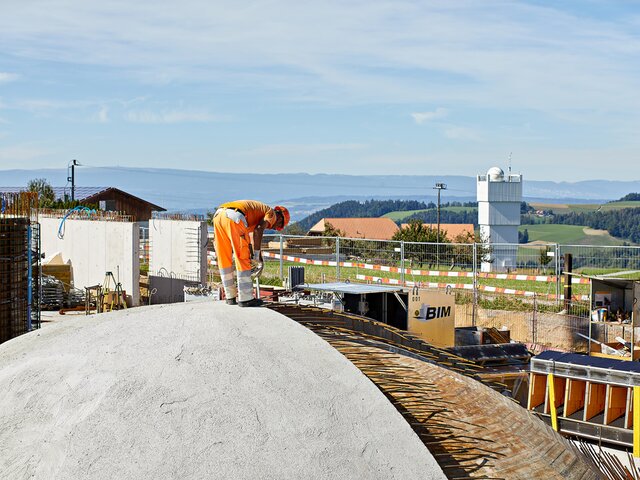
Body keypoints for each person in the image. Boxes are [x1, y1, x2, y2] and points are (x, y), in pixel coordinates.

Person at [213, 200, 290, 307]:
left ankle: (230, 296)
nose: (273, 228)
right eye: (278, 226)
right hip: (235, 217)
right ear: (280, 218)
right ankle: (245, 298)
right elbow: (258, 231)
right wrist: (257, 256)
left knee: (223, 257)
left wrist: (256, 256)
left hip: (219, 215)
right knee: (242, 257)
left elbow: (251, 239)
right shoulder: (271, 213)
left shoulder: (256, 214)